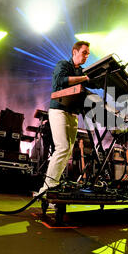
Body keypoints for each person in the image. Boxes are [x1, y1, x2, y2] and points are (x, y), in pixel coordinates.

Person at [37, 41, 91, 196]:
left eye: (88, 53)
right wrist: (84, 78)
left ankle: (52, 186)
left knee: (67, 152)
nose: (86, 56)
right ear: (74, 52)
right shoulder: (63, 65)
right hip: (58, 110)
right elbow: (60, 81)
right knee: (62, 148)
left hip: (72, 114)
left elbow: (92, 82)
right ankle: (47, 189)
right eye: (84, 52)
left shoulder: (82, 71)